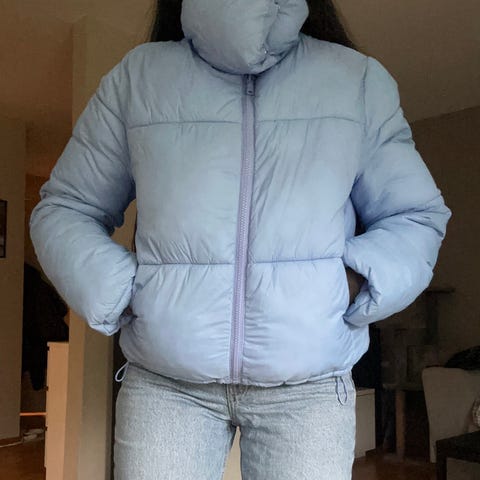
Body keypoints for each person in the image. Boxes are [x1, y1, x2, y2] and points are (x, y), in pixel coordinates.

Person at [30, 0, 451, 478]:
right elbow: (65, 208)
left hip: (307, 386)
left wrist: (347, 285)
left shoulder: (356, 81)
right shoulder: (139, 78)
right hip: (167, 385)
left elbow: (415, 217)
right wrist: (124, 291)